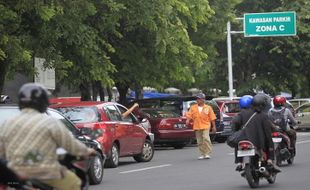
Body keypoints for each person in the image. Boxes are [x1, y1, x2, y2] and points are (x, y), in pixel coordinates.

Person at [0, 83, 97, 190]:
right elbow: (71, 145)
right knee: (75, 183)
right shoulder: (50, 122)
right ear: (43, 102)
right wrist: (87, 151)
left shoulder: (7, 123)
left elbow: (1, 152)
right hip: (45, 173)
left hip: (15, 174)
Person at [239, 94, 281, 172]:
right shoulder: (263, 115)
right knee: (270, 141)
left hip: (245, 138)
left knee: (238, 143)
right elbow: (268, 129)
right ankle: (270, 160)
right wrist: (275, 130)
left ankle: (239, 162)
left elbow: (234, 124)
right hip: (259, 142)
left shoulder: (242, 114)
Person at [186, 93, 217, 159]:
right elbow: (189, 115)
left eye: (199, 99)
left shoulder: (208, 108)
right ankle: (203, 154)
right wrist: (188, 120)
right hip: (197, 126)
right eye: (197, 99)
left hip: (206, 125)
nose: (197, 100)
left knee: (206, 138)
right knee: (199, 141)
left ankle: (207, 153)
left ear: (203, 100)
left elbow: (212, 118)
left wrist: (214, 127)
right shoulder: (193, 107)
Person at [231, 95, 254, 171]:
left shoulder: (238, 115)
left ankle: (239, 162)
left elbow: (234, 128)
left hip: (242, 137)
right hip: (254, 136)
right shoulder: (256, 114)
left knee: (237, 144)